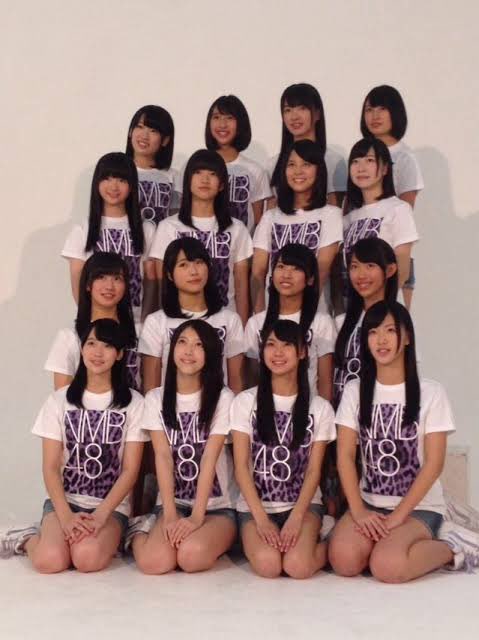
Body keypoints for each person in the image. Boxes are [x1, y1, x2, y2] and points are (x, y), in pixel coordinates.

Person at [0, 319, 146, 572]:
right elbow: (50, 467)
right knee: (49, 561)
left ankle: (127, 533)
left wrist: (100, 515)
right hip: (64, 502)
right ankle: (26, 538)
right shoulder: (59, 401)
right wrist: (66, 517)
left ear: (120, 354)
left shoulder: (134, 403)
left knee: (87, 559)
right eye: (91, 343)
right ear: (81, 348)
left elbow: (130, 471)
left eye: (107, 346)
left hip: (110, 507)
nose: (97, 352)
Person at [330, 301, 455, 582]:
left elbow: (434, 464)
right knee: (344, 560)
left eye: (390, 330)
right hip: (370, 503)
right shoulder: (355, 391)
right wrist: (359, 511)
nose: (381, 340)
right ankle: (384, 542)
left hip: (419, 506)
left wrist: (399, 516)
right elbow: (345, 457)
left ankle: (453, 549)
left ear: (407, 337)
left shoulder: (431, 393)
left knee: (388, 567)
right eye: (373, 332)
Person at [128, 320, 237, 574]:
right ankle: (137, 532)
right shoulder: (155, 398)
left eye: (199, 345)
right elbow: (163, 456)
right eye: (183, 342)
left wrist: (197, 517)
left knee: (191, 558)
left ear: (211, 354)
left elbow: (209, 457)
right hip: (173, 503)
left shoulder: (223, 398)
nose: (189, 351)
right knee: (154, 564)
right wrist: (169, 515)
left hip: (218, 507)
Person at [232, 320, 336, 578]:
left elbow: (313, 470)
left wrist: (297, 517)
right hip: (255, 507)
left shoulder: (320, 408)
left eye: (287, 345)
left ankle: (329, 540)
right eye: (270, 345)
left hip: (303, 506)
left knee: (297, 567)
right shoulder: (245, 402)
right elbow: (241, 467)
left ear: (302, 352)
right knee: (269, 566)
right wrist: (261, 519)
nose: (277, 353)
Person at [150, 149, 252, 326]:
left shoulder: (237, 229)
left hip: (223, 321)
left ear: (221, 184)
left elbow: (242, 287)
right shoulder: (168, 227)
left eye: (212, 174)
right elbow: (162, 285)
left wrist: (242, 328)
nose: (205, 180)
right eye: (198, 173)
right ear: (187, 180)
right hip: (179, 322)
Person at [140, 237, 244, 394]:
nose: (194, 271)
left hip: (219, 406)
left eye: (199, 263)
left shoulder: (230, 320)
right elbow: (151, 389)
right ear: (169, 274)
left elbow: (236, 384)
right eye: (183, 265)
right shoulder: (156, 322)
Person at [62, 152, 156, 322]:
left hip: (135, 323)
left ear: (132, 185)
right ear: (97, 183)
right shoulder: (82, 230)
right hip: (96, 323)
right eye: (107, 178)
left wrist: (145, 321)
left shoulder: (147, 230)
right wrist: (90, 320)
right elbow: (78, 283)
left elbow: (151, 281)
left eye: (121, 180)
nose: (114, 186)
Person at [253, 140, 342, 312]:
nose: (298, 171)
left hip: (313, 315)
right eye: (291, 164)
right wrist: (259, 315)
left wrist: (301, 314)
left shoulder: (331, 215)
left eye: (306, 164)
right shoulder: (270, 217)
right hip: (272, 316)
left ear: (319, 170)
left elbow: (322, 270)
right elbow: (258, 272)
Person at [360, 85, 424, 308]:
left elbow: (406, 209)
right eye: (369, 110)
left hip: (393, 256)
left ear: (395, 113)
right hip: (361, 261)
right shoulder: (360, 154)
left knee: (391, 321)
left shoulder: (404, 157)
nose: (374, 116)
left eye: (382, 109)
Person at [245, 243, 335, 400]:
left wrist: (321, 411)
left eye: (296, 269)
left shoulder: (322, 323)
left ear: (310, 279)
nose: (286, 274)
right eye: (281, 267)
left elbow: (325, 383)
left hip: (308, 407)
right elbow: (252, 380)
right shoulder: (255, 323)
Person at [45, 252, 140, 390]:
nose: (109, 286)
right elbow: (62, 395)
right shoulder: (69, 337)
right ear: (88, 285)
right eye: (101, 277)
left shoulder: (141, 332)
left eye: (117, 278)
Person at [342, 138, 418, 300]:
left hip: (384, 307)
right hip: (353, 306)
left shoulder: (398, 209)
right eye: (355, 161)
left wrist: (379, 306)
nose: (361, 168)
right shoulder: (348, 218)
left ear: (385, 168)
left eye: (370, 160)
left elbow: (402, 270)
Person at [333, 238, 398, 409]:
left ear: (390, 270)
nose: (361, 275)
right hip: (339, 417)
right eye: (355, 266)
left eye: (370, 265)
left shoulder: (398, 322)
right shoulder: (341, 322)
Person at [268, 83, 347, 207]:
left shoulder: (334, 161)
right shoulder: (273, 164)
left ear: (317, 114)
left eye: (302, 108)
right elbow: (271, 209)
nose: (294, 116)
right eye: (288, 110)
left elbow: (337, 210)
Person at [205, 94, 271, 230]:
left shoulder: (255, 171)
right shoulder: (195, 166)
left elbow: (258, 222)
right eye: (216, 117)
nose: (222, 124)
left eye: (229, 118)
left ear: (241, 123)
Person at [126, 104, 179, 227]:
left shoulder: (174, 176)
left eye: (153, 131)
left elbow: (176, 221)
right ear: (130, 131)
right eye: (140, 127)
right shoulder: (117, 171)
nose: (144, 136)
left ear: (165, 140)